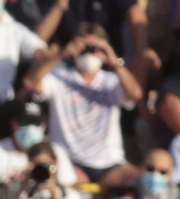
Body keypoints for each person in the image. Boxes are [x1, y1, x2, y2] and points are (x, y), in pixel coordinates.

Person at [20, 23, 141, 186]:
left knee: (140, 179)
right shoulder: (59, 77)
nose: (89, 53)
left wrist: (115, 62)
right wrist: (61, 55)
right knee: (54, 176)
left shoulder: (112, 81)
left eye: (95, 48)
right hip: (70, 163)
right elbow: (30, 83)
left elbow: (136, 94)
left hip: (110, 165)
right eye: (84, 48)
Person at [0, 98, 82, 199]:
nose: (30, 128)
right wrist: (21, 185)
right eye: (25, 123)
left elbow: (70, 189)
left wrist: (53, 189)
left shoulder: (55, 152)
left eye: (36, 124)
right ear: (13, 124)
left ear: (43, 126)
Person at [35, 0, 150, 64]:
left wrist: (141, 58)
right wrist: (60, 4)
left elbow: (136, 15)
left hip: (110, 65)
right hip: (70, 66)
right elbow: (37, 41)